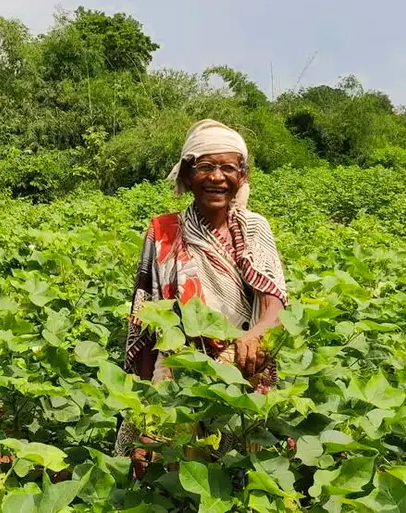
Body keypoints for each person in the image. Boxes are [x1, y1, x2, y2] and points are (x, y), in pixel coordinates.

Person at [112, 119, 288, 475]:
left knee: (240, 476)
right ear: (187, 175)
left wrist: (256, 334)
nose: (217, 177)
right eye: (205, 167)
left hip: (241, 368)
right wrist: (146, 406)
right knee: (173, 479)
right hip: (177, 374)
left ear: (242, 175)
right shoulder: (163, 231)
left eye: (228, 167)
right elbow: (145, 321)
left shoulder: (255, 228)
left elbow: (273, 304)